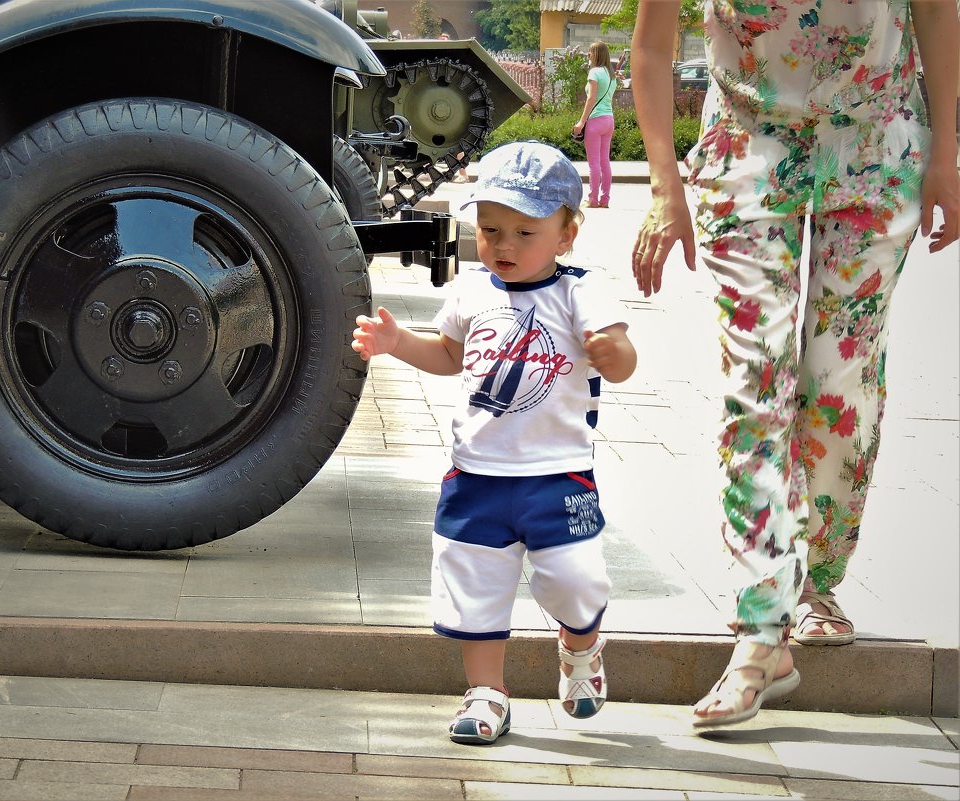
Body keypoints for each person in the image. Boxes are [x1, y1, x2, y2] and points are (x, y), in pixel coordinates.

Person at [630, 0, 958, 729]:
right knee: (757, 384)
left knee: (839, 386)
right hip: (746, 148)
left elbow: (937, 10)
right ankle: (762, 621)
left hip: (875, 143)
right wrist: (663, 192)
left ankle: (819, 581)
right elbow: (652, 50)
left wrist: (946, 156)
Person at [352, 141, 637, 744]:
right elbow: (451, 355)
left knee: (576, 579)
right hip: (474, 475)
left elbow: (621, 357)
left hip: (556, 474)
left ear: (566, 234)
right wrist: (399, 343)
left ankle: (580, 647)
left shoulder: (581, 292)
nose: (504, 245)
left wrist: (615, 356)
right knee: (475, 588)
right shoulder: (473, 291)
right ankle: (486, 693)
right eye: (489, 230)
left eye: (525, 232)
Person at [572, 42, 619, 209]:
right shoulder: (611, 75)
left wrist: (581, 121)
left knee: (594, 163)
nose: (588, 55)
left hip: (595, 121)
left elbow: (591, 99)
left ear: (597, 54)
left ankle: (592, 199)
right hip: (609, 120)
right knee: (604, 161)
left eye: (590, 52)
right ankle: (604, 199)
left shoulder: (594, 72)